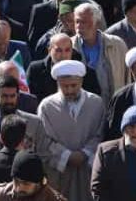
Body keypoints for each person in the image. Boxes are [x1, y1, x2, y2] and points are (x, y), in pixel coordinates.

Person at [36, 59, 105, 201]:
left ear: (81, 81)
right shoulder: (47, 107)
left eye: (73, 86)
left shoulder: (96, 103)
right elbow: (44, 141)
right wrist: (67, 156)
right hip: (59, 175)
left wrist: (85, 153)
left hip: (88, 170)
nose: (69, 90)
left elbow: (100, 134)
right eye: (64, 86)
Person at [0, 151, 66, 201]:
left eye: (25, 183)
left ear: (39, 183)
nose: (18, 188)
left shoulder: (54, 199)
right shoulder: (0, 196)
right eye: (16, 181)